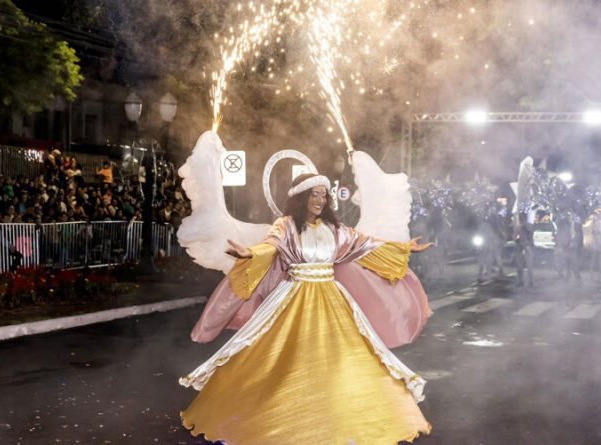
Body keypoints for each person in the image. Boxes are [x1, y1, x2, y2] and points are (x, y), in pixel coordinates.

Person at [179, 173, 433, 444]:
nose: (320, 200)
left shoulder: (335, 229)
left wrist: (403, 248)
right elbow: (271, 246)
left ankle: (340, 415)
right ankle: (284, 413)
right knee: (280, 356)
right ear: (302, 197)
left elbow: (366, 244)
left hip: (332, 299)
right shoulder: (286, 225)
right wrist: (250, 254)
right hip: (294, 297)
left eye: (324, 195)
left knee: (343, 357)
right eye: (314, 194)